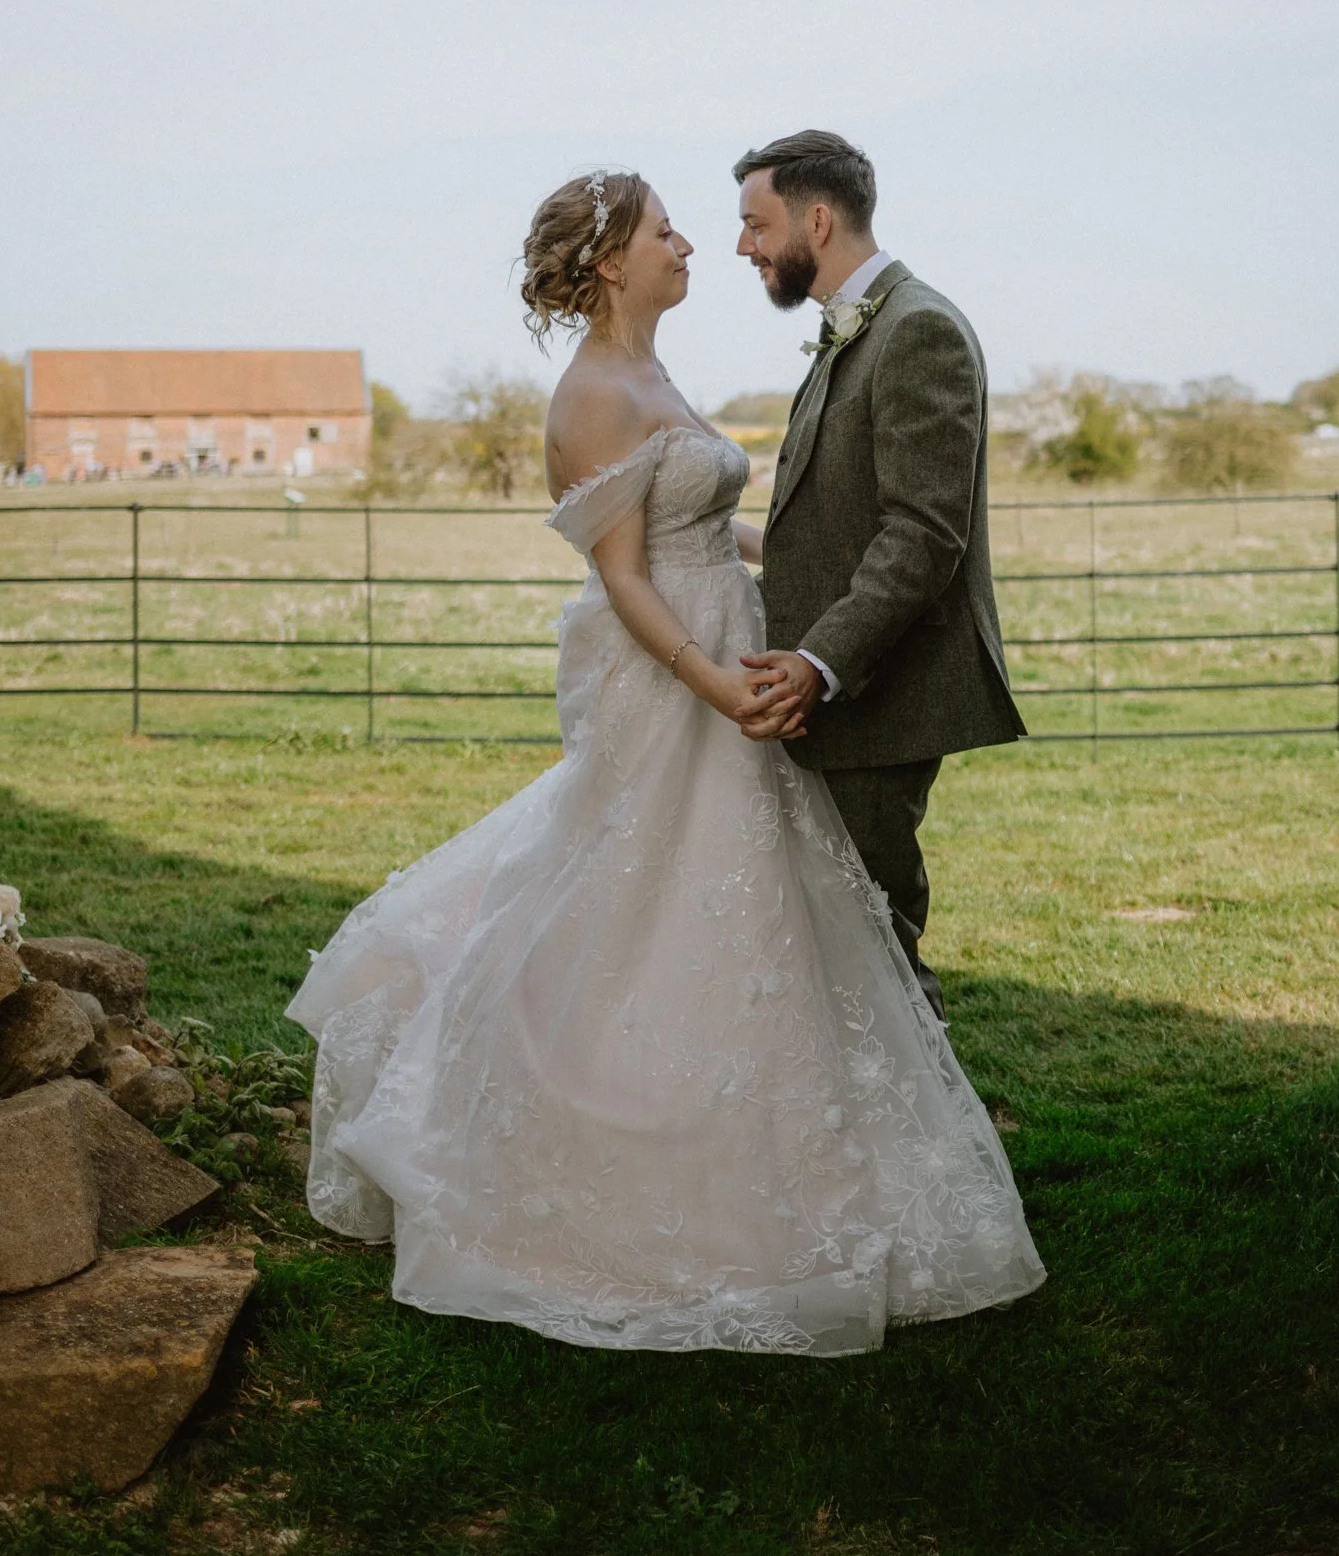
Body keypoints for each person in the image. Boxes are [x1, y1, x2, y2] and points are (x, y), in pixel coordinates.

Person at [288, 169, 1042, 1356]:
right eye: (665, 230)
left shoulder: (654, 370)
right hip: (684, 672)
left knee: (769, 911)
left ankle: (797, 1147)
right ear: (608, 261)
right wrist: (708, 676)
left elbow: (703, 523)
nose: (693, 243)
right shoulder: (591, 390)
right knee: (638, 896)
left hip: (736, 646)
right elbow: (625, 574)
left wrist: (793, 565)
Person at [733, 130, 1024, 1020]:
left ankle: (932, 1153)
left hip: (882, 696)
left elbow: (922, 535)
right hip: (848, 694)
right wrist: (726, 538)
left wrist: (818, 663)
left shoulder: (917, 328)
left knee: (875, 942)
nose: (744, 244)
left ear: (816, 220)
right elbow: (850, 512)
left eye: (756, 222)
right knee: (843, 936)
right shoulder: (859, 323)